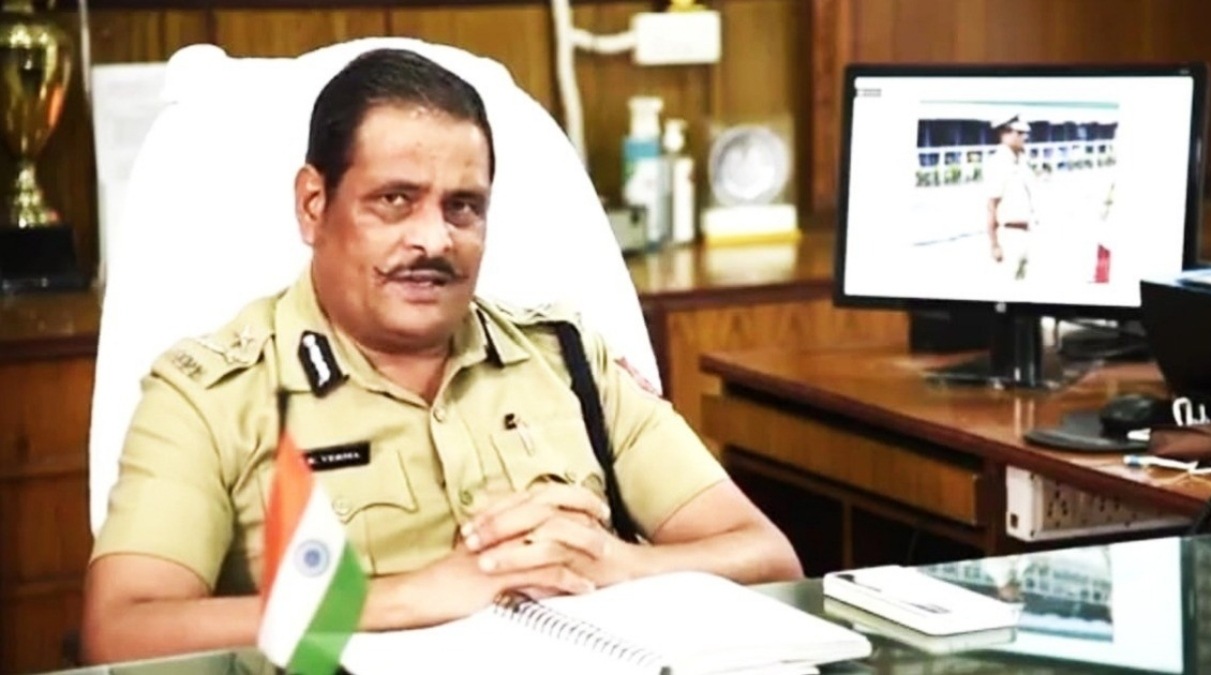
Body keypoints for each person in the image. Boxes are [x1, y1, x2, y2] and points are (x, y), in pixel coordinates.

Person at [80, 48, 802, 665]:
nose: (435, 240)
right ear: (313, 205)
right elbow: (120, 630)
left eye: (463, 206)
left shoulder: (567, 361)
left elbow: (767, 556)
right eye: (395, 200)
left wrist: (620, 564)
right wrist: (406, 597)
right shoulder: (212, 394)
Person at [983, 114, 1038, 281]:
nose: (1024, 137)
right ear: (1004, 134)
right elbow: (991, 205)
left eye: (1025, 133)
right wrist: (994, 244)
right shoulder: (998, 163)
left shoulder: (1021, 162)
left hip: (1026, 232)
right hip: (1008, 235)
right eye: (1019, 133)